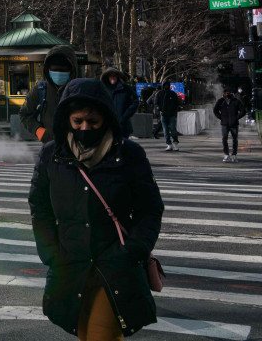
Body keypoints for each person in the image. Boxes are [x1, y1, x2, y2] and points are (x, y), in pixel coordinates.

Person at [29, 78, 164, 341]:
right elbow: (40, 209)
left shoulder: (129, 154)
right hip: (71, 265)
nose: (84, 127)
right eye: (77, 121)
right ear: (66, 118)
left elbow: (150, 209)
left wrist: (132, 250)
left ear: (107, 117)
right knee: (85, 334)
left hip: (115, 266)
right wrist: (51, 253)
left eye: (92, 121)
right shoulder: (50, 155)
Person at [20, 45, 79, 143]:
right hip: (50, 146)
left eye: (63, 70)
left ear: (72, 70)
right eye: (54, 70)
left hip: (76, 147)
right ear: (48, 69)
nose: (59, 73)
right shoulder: (40, 89)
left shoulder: (79, 90)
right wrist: (39, 130)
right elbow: (24, 114)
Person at [100, 67, 138, 139]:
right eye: (110, 76)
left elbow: (135, 102)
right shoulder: (103, 90)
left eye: (114, 75)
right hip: (107, 127)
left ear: (118, 77)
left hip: (123, 127)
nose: (112, 78)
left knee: (123, 148)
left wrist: (125, 116)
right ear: (107, 77)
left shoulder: (126, 89)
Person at [213, 87, 246, 163]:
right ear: (224, 94)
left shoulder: (236, 101)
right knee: (225, 139)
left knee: (234, 139)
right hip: (225, 123)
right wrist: (221, 117)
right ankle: (226, 154)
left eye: (228, 93)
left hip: (233, 123)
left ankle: (234, 155)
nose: (227, 94)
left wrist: (236, 118)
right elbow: (215, 110)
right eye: (226, 93)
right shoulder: (221, 101)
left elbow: (243, 111)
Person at [154, 81, 181, 151]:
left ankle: (175, 142)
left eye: (167, 85)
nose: (166, 86)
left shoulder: (172, 94)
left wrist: (175, 111)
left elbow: (176, 103)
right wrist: (159, 109)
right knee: (165, 130)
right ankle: (169, 144)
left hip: (171, 115)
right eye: (165, 85)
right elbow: (156, 102)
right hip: (163, 115)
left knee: (173, 129)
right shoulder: (159, 94)